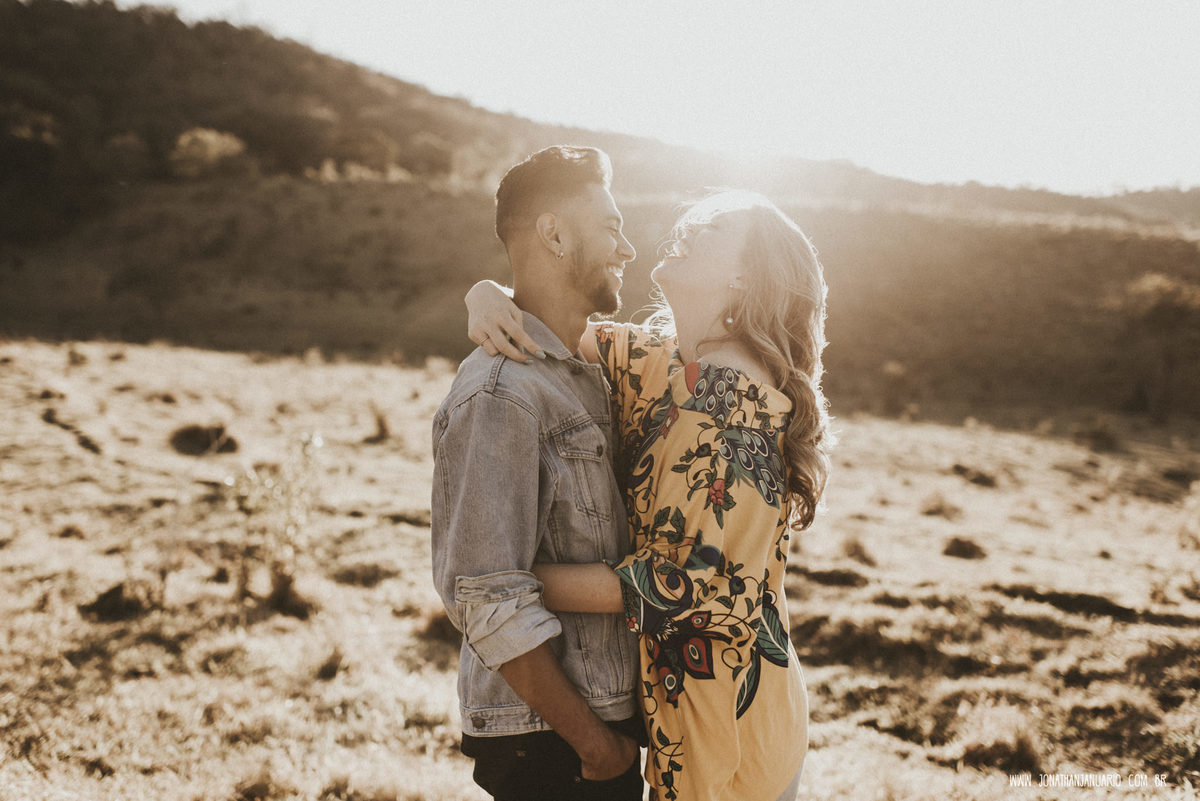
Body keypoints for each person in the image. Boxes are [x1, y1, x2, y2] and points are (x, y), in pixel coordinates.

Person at [466, 189, 833, 801]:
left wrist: (506, 579)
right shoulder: (660, 360)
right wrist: (483, 293)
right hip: (679, 707)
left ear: (746, 274)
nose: (687, 225)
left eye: (714, 226)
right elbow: (547, 324)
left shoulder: (736, 404)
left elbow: (679, 585)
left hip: (731, 722)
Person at [430, 145, 645, 801]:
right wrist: (596, 747)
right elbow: (487, 595)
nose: (628, 248)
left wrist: (486, 290)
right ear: (554, 232)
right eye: (611, 225)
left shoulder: (589, 369)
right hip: (554, 742)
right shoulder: (502, 393)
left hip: (597, 721)